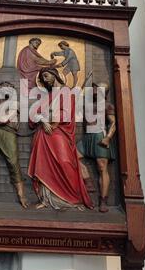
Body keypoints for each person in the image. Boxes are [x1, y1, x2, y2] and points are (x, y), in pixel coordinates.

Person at [28, 67, 93, 211]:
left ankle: (73, 198)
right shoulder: (48, 96)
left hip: (59, 134)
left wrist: (49, 117)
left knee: (65, 162)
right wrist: (43, 120)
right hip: (44, 136)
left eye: (46, 76)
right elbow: (33, 115)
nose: (45, 80)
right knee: (44, 165)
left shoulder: (67, 93)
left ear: (54, 74)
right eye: (42, 78)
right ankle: (47, 199)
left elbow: (66, 115)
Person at [77, 83, 116, 213]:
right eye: (94, 88)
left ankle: (103, 200)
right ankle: (88, 181)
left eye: (97, 88)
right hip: (88, 137)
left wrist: (108, 138)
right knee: (72, 156)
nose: (94, 90)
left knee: (102, 167)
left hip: (99, 136)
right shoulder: (88, 105)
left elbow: (113, 123)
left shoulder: (107, 105)